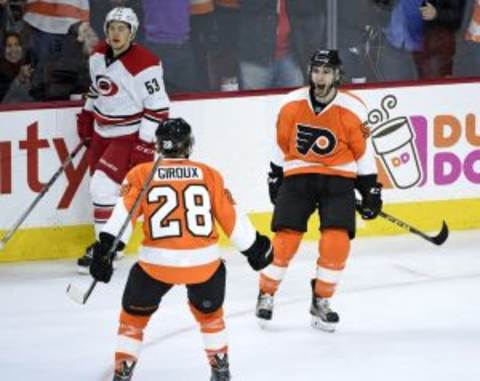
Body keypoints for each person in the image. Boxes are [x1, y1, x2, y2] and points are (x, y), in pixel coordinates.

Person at [89, 118, 274, 381]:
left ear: (158, 146)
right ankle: (220, 367)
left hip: (156, 267)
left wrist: (106, 249)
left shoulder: (141, 174)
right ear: (189, 146)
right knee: (210, 315)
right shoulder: (209, 174)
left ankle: (123, 370)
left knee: (133, 317)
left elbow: (123, 216)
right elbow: (231, 219)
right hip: (204, 267)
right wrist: (256, 248)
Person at [255, 49, 382, 332]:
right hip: (298, 175)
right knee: (285, 241)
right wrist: (274, 176)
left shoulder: (353, 107)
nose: (319, 77)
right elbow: (280, 144)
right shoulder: (291, 103)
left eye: (326, 71)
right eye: (315, 71)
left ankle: (321, 301)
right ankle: (266, 292)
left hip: (338, 179)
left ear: (337, 75)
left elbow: (362, 154)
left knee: (336, 243)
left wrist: (371, 190)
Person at [76, 7, 170, 273]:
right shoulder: (96, 55)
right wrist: (87, 117)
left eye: (122, 28)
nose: (116, 33)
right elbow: (97, 89)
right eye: (112, 28)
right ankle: (113, 244)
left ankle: (103, 249)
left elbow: (158, 108)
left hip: (129, 135)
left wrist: (144, 143)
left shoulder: (145, 64)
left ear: (132, 33)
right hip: (102, 133)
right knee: (110, 193)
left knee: (101, 188)